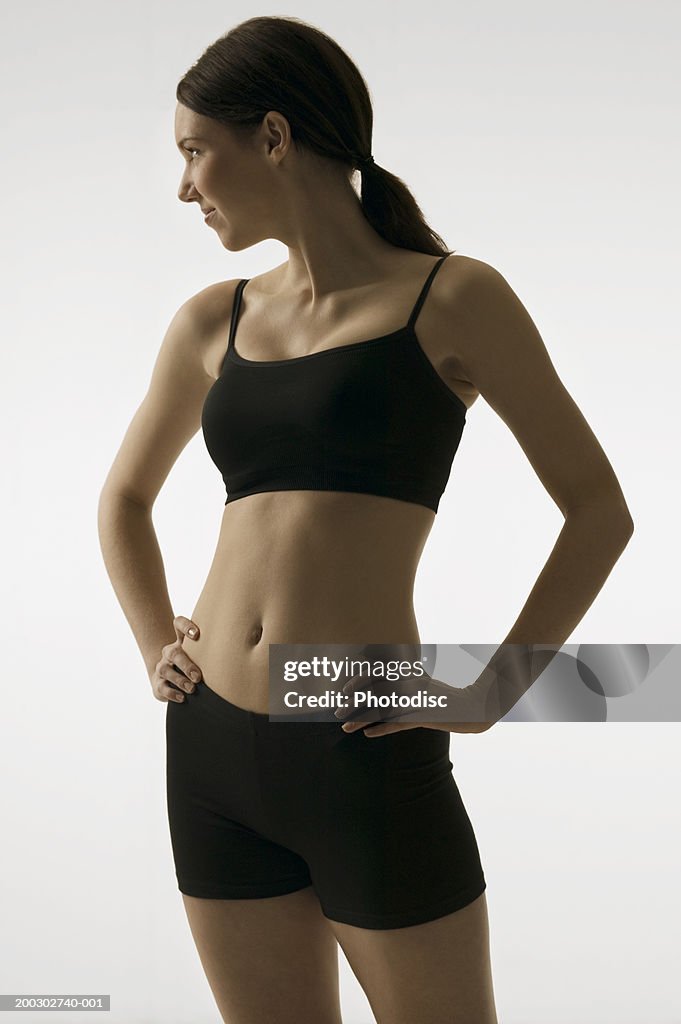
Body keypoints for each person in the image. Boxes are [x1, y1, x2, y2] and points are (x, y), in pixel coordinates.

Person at [97, 15, 634, 1024]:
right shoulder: (213, 319)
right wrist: (153, 642)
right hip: (208, 745)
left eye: (192, 151)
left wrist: (494, 689)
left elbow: (599, 509)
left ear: (272, 135)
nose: (183, 187)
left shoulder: (452, 297)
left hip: (360, 729)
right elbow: (122, 500)